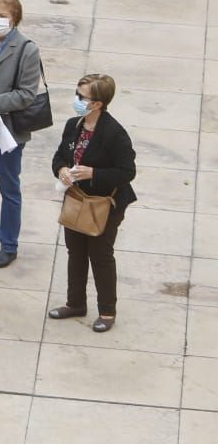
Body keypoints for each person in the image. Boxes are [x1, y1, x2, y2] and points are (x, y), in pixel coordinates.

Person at [50, 74, 137, 333]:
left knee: (100, 255)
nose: (77, 100)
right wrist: (62, 169)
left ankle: (107, 311)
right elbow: (58, 156)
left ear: (98, 103)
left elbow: (127, 171)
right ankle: (75, 302)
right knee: (75, 252)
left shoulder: (114, 134)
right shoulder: (73, 125)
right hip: (77, 199)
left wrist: (94, 173)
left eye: (82, 97)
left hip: (104, 204)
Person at [0, 0, 44, 268]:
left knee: (9, 186)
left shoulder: (27, 49)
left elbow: (27, 93)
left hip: (9, 130)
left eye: (3, 15)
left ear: (14, 18)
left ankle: (9, 243)